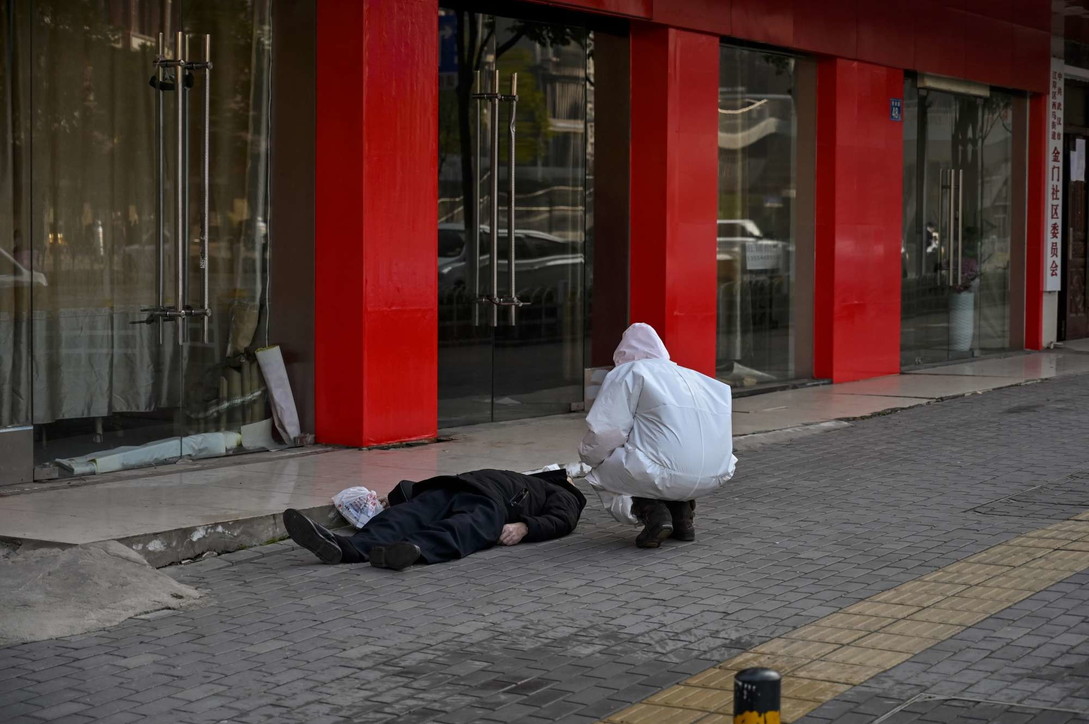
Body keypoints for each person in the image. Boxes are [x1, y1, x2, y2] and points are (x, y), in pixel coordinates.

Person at [579, 323, 736, 548]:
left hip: (662, 472)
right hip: (716, 472)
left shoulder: (630, 372)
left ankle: (652, 513)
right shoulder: (694, 377)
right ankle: (682, 517)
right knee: (658, 459)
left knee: (602, 469)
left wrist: (588, 457)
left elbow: (607, 430)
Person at [282, 468, 585, 570]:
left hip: (492, 504)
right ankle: (347, 548)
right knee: (404, 515)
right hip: (461, 487)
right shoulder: (530, 479)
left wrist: (525, 526)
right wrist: (402, 495)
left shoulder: (565, 494)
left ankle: (400, 552)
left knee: (459, 528)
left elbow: (563, 520)